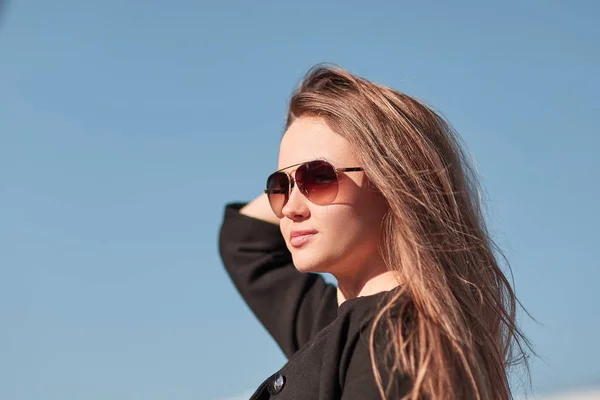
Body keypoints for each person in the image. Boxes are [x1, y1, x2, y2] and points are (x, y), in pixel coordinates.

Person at [218, 65, 531, 400]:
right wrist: (304, 156)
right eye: (279, 186)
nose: (291, 208)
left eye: (319, 178)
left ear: (392, 184)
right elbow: (244, 241)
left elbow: (245, 244)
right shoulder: (343, 328)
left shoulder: (394, 338)